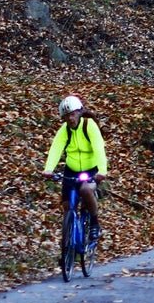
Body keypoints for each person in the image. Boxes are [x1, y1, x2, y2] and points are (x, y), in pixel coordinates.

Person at [42, 94, 108, 245]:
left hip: (90, 169)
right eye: (66, 117)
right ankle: (67, 245)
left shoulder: (88, 125)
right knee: (67, 206)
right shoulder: (65, 130)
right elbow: (56, 149)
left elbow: (99, 148)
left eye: (72, 114)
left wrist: (102, 171)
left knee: (85, 190)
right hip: (71, 170)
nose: (70, 119)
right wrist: (48, 169)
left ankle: (94, 223)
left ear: (79, 113)